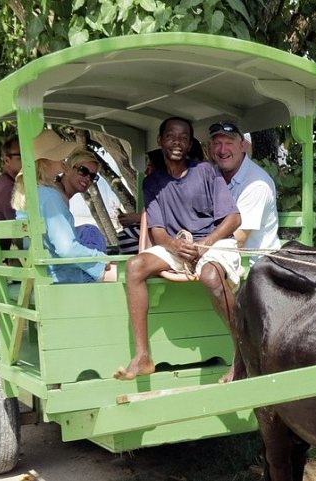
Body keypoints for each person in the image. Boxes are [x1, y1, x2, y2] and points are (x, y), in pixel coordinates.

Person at [113, 117, 242, 381]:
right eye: (171, 136)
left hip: (213, 242)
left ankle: (242, 354)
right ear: (160, 140)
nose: (177, 142)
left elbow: (233, 219)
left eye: (184, 137)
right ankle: (142, 357)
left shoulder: (207, 170)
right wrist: (175, 245)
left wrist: (205, 246)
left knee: (210, 276)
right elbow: (157, 232)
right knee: (134, 266)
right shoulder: (152, 183)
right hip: (178, 246)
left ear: (190, 143)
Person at [12, 130, 115, 283]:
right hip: (60, 278)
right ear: (45, 160)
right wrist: (102, 259)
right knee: (131, 275)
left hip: (40, 273)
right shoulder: (49, 196)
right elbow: (66, 249)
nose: (63, 158)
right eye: (59, 154)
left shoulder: (30, 193)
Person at [208, 121, 281, 262]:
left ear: (243, 146)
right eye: (217, 143)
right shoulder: (212, 174)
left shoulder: (257, 184)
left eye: (229, 143)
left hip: (256, 268)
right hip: (221, 256)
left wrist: (201, 246)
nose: (222, 150)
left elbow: (239, 239)